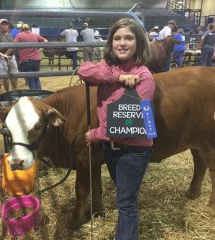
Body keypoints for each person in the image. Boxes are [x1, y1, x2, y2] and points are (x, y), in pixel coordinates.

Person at [77, 18, 155, 240]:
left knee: (126, 203)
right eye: (117, 38)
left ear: (139, 43)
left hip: (133, 150)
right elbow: (83, 70)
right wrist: (117, 77)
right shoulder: (108, 67)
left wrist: (95, 134)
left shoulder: (144, 77)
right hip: (111, 149)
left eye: (128, 38)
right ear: (110, 43)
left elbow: (127, 124)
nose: (122, 43)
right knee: (123, 197)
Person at [12, 23, 48, 89]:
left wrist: (6, 53)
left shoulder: (19, 35)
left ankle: (34, 97)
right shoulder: (35, 34)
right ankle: (39, 96)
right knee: (37, 79)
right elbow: (46, 41)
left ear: (21, 29)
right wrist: (40, 50)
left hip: (26, 60)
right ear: (29, 29)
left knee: (31, 80)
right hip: (36, 60)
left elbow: (13, 46)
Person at [0, 18, 18, 92]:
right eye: (2, 24)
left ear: (8, 25)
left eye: (6, 24)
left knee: (15, 74)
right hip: (2, 57)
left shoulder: (10, 35)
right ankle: (8, 92)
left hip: (11, 57)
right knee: (5, 76)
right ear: (0, 26)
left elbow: (14, 46)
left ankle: (14, 91)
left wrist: (8, 52)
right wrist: (5, 55)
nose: (4, 26)